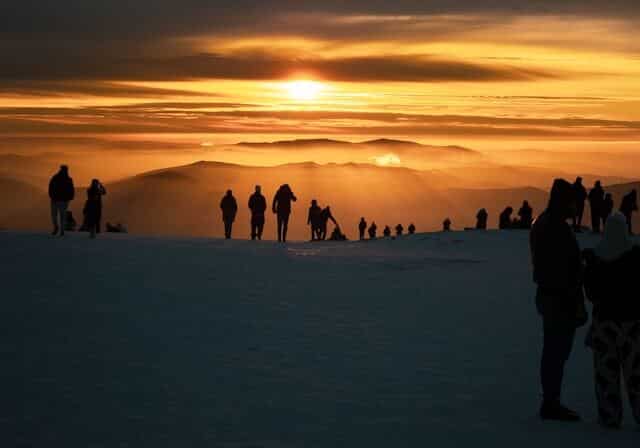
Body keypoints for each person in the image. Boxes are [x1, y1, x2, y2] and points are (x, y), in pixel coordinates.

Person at [530, 178, 583, 421]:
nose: (576, 206)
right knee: (556, 352)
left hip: (549, 295)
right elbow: (565, 268)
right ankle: (551, 403)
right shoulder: (557, 228)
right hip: (560, 298)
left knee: (553, 351)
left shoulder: (542, 222)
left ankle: (550, 401)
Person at [583, 212, 640, 428]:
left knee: (606, 373)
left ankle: (609, 416)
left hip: (603, 324)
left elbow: (590, 292)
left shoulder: (596, 257)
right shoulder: (635, 256)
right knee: (635, 373)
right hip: (632, 325)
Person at [48, 165, 75, 236]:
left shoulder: (56, 178)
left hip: (59, 200)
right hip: (59, 200)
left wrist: (69, 198)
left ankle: (59, 229)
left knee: (57, 215)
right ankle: (59, 229)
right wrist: (69, 198)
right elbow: (71, 190)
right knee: (59, 215)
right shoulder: (59, 178)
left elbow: (71, 190)